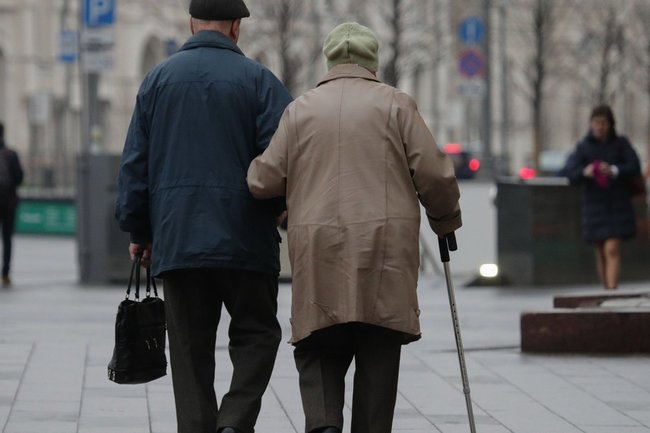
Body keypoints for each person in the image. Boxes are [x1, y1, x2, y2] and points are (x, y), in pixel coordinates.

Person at [247, 22, 462, 433]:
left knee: (317, 345)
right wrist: (444, 219)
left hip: (319, 250)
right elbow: (435, 176)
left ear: (329, 61)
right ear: (372, 63)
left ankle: (324, 424)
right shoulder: (397, 105)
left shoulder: (300, 110)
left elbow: (263, 180)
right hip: (384, 253)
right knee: (378, 349)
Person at [114, 0, 292, 432]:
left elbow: (136, 164)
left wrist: (140, 230)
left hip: (178, 239)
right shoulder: (260, 81)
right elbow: (287, 158)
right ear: (236, 28)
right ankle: (234, 420)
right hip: (247, 238)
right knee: (257, 334)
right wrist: (276, 212)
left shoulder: (157, 81)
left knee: (189, 348)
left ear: (192, 24)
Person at [563, 104, 641, 290]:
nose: (600, 127)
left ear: (610, 124)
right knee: (600, 252)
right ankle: (606, 289)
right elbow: (569, 172)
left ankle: (612, 290)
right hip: (594, 205)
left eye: (603, 123)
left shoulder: (621, 144)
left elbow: (634, 167)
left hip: (617, 205)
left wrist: (613, 170)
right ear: (591, 124)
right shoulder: (583, 147)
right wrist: (586, 172)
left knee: (611, 248)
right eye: (596, 123)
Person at [0, 121, 24, 287]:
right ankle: (5, 273)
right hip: (8, 202)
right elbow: (19, 177)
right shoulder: (10, 154)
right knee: (7, 238)